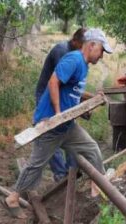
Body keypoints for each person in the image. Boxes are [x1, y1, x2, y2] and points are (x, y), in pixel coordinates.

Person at [6, 28, 112, 214]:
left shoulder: (84, 65)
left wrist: (93, 98)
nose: (102, 56)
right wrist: (57, 114)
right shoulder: (74, 59)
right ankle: (12, 198)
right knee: (36, 165)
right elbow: (53, 82)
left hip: (68, 126)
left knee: (92, 148)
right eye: (102, 50)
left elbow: (73, 92)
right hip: (51, 125)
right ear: (92, 45)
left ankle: (99, 187)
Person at [35, 27, 86, 182]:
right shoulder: (62, 52)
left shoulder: (77, 55)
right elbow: (58, 83)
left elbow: (73, 87)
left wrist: (85, 103)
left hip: (62, 95)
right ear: (75, 41)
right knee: (50, 133)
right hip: (46, 96)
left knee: (68, 129)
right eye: (82, 45)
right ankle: (61, 174)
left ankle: (72, 170)